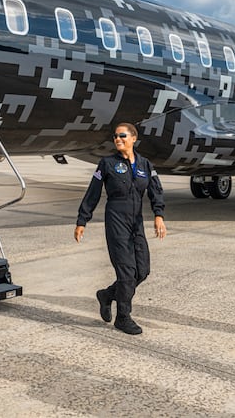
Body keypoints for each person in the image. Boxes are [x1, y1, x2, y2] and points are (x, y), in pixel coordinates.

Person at [74, 123, 166, 335]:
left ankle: (106, 295)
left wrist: (159, 215)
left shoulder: (145, 164)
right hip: (116, 220)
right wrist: (82, 220)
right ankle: (123, 317)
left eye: (122, 135)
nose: (117, 139)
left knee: (142, 271)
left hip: (137, 222)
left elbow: (156, 191)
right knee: (126, 273)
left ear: (133, 138)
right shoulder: (107, 164)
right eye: (115, 136)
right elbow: (93, 192)